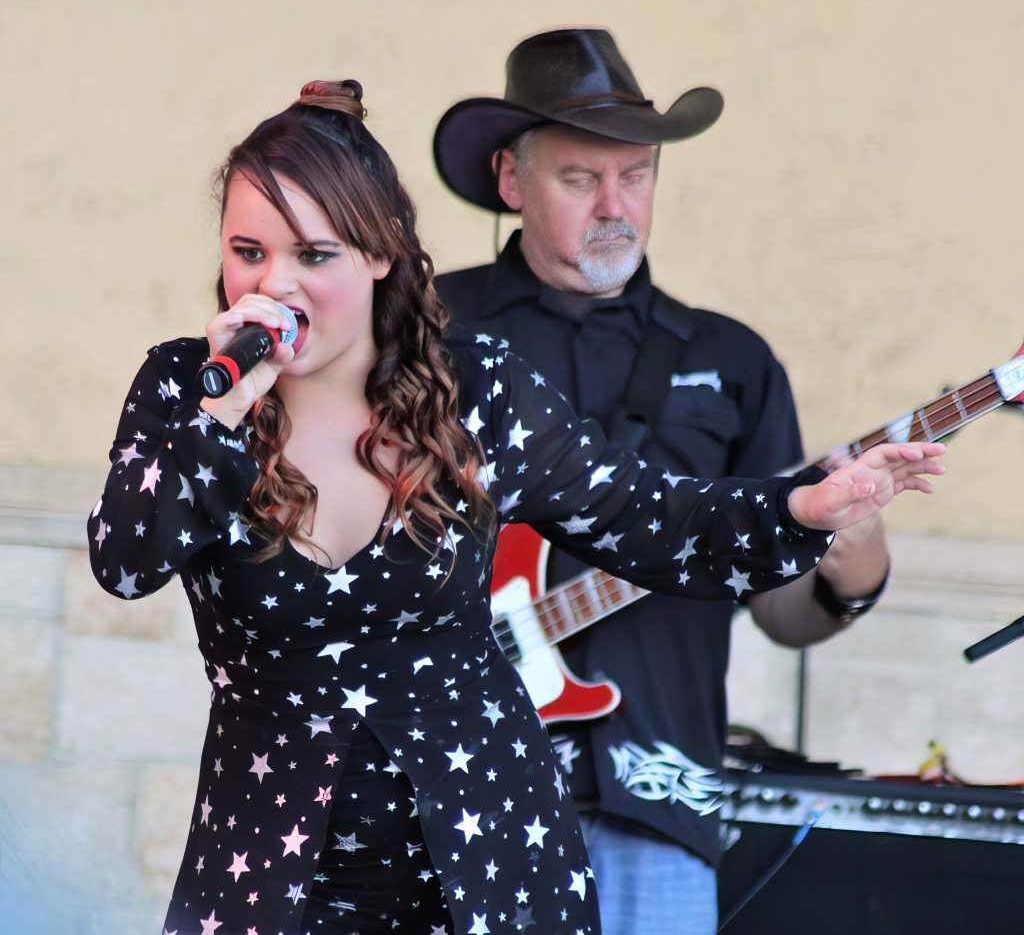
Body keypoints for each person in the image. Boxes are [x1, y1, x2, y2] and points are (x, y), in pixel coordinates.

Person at [87, 78, 942, 935]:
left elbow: (655, 518)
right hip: (268, 870)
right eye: (248, 251)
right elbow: (124, 560)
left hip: (490, 866)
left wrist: (804, 508)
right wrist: (223, 415)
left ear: (381, 253)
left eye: (315, 256)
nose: (275, 285)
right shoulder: (185, 390)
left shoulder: (477, 391)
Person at [433, 28, 896, 934]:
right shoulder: (426, 332)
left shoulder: (731, 361)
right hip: (453, 791)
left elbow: (781, 608)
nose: (617, 205)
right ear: (511, 180)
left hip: (657, 794)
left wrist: (854, 561)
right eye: (580, 177)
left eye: (636, 175)